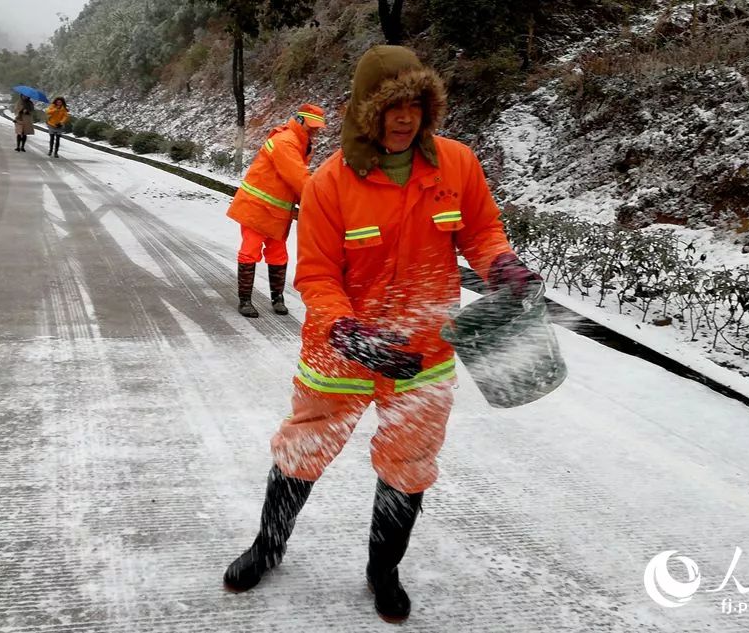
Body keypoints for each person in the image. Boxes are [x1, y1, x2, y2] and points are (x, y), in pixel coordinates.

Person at [222, 46, 541, 623]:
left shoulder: (457, 165)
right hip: (341, 348)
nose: (405, 117)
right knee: (303, 448)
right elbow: (316, 273)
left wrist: (502, 265)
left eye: (416, 104)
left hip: (425, 345)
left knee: (410, 462)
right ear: (367, 110)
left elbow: (483, 232)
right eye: (391, 105)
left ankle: (383, 570)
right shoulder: (328, 183)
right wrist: (345, 330)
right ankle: (266, 547)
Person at [225, 104, 327, 318]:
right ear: (300, 121)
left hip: (276, 211)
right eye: (312, 126)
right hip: (256, 208)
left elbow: (296, 182)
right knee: (250, 252)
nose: (315, 131)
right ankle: (245, 300)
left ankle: (277, 298)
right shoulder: (286, 142)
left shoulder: (300, 142)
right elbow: (299, 179)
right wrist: (322, 204)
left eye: (318, 127)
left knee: (278, 255)